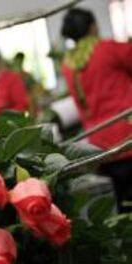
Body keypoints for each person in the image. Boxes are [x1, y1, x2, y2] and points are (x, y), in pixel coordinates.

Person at [61, 8, 132, 213]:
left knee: (123, 203)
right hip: (127, 136)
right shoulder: (107, 49)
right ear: (93, 27)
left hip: (100, 146)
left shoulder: (69, 65)